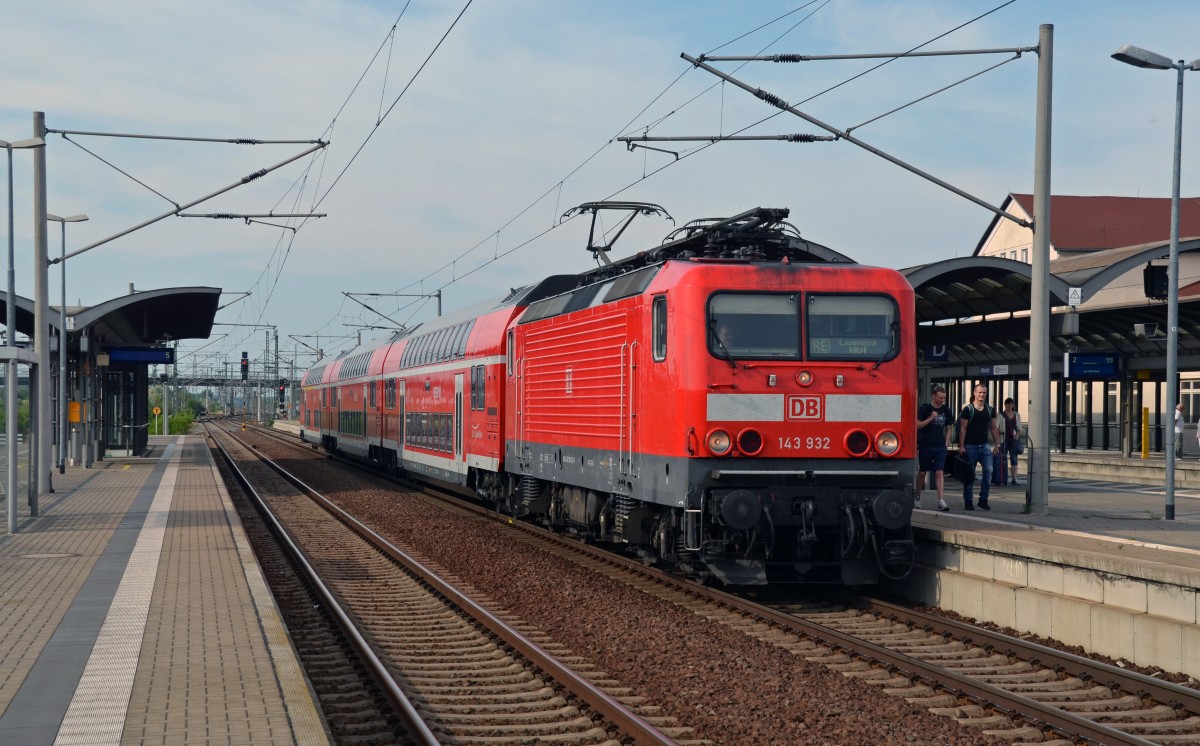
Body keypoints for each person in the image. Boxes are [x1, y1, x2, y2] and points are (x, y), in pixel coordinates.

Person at [957, 383, 1002, 510]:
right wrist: (962, 446)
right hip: (970, 446)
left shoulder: (990, 410)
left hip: (985, 446)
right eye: (980, 392)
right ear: (974, 393)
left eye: (984, 393)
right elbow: (963, 428)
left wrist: (997, 444)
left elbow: (993, 428)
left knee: (989, 471)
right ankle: (968, 501)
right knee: (969, 474)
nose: (982, 395)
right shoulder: (968, 410)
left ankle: (983, 499)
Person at [915, 385, 952, 512]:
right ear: (934, 395)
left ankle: (940, 500)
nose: (942, 400)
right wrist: (930, 418)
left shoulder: (946, 410)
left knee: (939, 472)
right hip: (926, 445)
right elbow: (917, 425)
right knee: (922, 473)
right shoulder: (925, 409)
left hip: (940, 446)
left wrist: (946, 442)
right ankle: (917, 496)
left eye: (944, 398)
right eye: (940, 397)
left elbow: (948, 428)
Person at [1001, 397, 1022, 486]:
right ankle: (1003, 478)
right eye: (1006, 404)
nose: (1008, 406)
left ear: (1012, 405)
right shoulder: (1001, 415)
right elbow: (996, 427)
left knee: (1014, 459)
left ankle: (1014, 478)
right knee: (1003, 459)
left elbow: (1020, 428)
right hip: (1004, 440)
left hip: (1013, 441)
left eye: (1010, 404)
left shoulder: (1017, 415)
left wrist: (1017, 434)